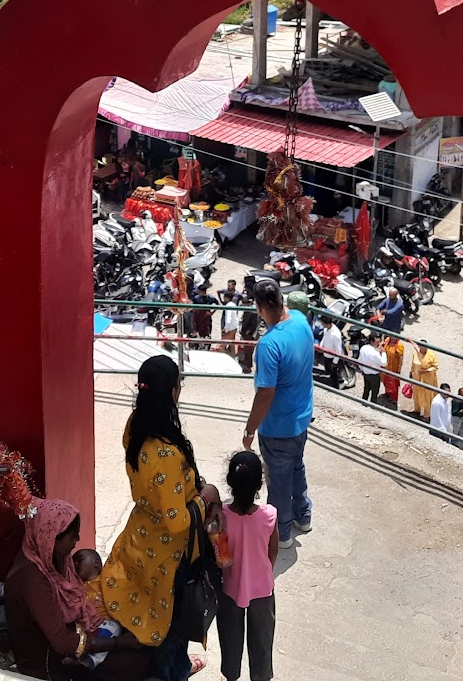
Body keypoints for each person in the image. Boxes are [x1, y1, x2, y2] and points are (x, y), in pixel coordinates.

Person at [91, 354, 213, 681]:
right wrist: (206, 498)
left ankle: (176, 665)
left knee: (148, 611)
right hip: (167, 554)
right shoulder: (167, 452)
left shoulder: (136, 426)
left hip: (139, 538)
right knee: (170, 621)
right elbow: (178, 521)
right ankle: (171, 672)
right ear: (172, 392)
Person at [6, 498, 153, 680]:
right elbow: (62, 643)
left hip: (68, 638)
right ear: (52, 539)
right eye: (72, 536)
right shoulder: (34, 580)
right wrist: (118, 643)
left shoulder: (47, 554)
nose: (78, 540)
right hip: (47, 660)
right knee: (134, 662)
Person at [242, 280, 314, 551]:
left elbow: (265, 393)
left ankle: (281, 533)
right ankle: (303, 516)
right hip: (301, 419)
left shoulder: (269, 344)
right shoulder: (301, 321)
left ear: (259, 308)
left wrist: (250, 430)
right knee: (296, 467)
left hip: (278, 426)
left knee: (279, 480)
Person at [216, 450, 278, 681]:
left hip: (229, 588)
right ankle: (261, 676)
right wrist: (262, 572)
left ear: (230, 482)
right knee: (262, 640)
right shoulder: (269, 515)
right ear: (259, 485)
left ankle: (231, 675)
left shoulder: (221, 516)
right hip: (262, 589)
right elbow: (273, 550)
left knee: (230, 638)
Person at [410, 340, 440, 421]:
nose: (423, 348)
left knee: (427, 397)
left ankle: (427, 414)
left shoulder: (431, 355)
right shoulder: (416, 353)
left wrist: (426, 370)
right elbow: (413, 364)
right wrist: (411, 372)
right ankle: (417, 409)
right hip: (416, 378)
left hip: (427, 380)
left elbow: (436, 366)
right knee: (416, 394)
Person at [357, 337, 385, 404]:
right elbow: (384, 363)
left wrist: (362, 369)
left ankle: (363, 404)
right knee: (374, 393)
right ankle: (372, 406)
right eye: (377, 342)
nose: (378, 344)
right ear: (372, 342)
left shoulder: (363, 348)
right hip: (374, 375)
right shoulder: (375, 353)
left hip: (366, 373)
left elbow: (359, 361)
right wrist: (383, 353)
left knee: (366, 390)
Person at [381, 336, 406, 408]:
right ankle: (387, 393)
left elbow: (401, 358)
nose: (394, 338)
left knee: (394, 384)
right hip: (386, 366)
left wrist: (399, 370)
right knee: (385, 380)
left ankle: (394, 399)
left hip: (393, 368)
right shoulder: (387, 340)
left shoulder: (399, 346)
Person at [220, 280, 243, 355]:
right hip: (234, 327)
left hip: (229, 328)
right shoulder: (233, 305)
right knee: (232, 344)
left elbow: (228, 320)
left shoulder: (229, 306)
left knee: (222, 345)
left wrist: (226, 329)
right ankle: (233, 355)